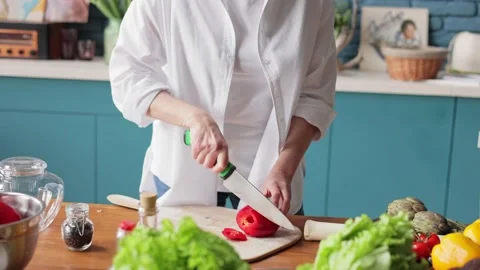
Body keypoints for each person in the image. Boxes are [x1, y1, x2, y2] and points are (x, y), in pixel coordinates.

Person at [109, 0, 337, 216]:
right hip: (183, 169)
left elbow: (314, 96)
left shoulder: (312, 4)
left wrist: (284, 168)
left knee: (278, 257)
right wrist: (194, 118)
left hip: (272, 178)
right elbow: (128, 76)